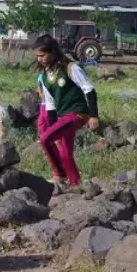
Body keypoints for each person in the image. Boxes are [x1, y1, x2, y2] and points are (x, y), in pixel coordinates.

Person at [33, 34, 99, 189]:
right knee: (64, 152)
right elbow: (50, 105)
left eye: (42, 55)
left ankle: (59, 174)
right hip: (63, 117)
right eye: (37, 56)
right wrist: (52, 127)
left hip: (77, 114)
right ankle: (76, 184)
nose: (39, 59)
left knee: (44, 139)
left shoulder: (70, 68)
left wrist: (93, 115)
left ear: (53, 52)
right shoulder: (45, 76)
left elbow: (88, 89)